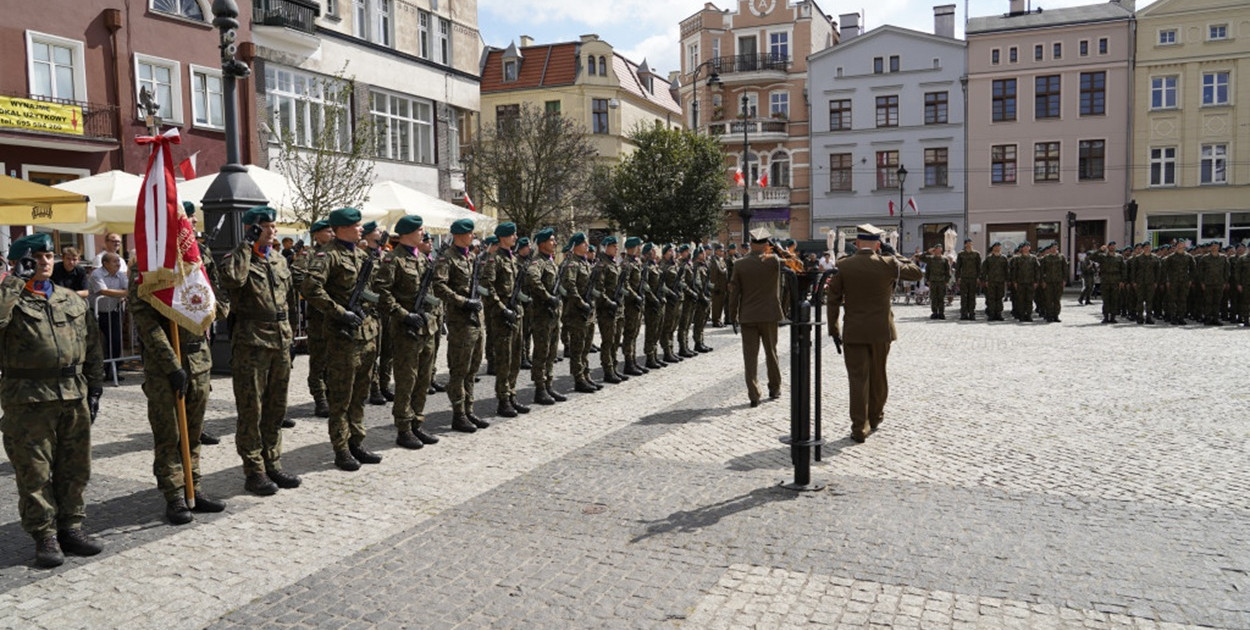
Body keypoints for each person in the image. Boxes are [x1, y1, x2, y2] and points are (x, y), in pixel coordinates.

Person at [1, 233, 105, 568]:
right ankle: (44, 533)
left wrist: (96, 388)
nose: (46, 262)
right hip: (28, 399)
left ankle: (71, 527)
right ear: (21, 261)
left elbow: (92, 345)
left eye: (49, 256)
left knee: (75, 467)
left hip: (73, 394)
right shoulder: (10, 299)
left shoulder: (70, 299)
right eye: (37, 257)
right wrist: (14, 282)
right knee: (35, 471)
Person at [129, 252, 227, 525]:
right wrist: (172, 365)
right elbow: (145, 322)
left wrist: (216, 307)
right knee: (169, 433)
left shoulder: (197, 256)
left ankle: (193, 488)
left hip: (199, 361)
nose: (192, 221)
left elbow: (216, 293)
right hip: (166, 366)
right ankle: (174, 496)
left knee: (193, 433)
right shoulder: (147, 262)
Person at [218, 206, 301, 495]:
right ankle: (254, 471)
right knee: (252, 409)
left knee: (276, 408)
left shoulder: (278, 259)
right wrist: (245, 246)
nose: (272, 230)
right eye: (265, 226)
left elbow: (289, 301)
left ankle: (273, 462)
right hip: (252, 343)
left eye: (274, 225)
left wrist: (291, 339)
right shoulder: (236, 259)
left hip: (280, 341)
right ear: (252, 228)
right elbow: (233, 281)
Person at [301, 207, 385, 471]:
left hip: (366, 334)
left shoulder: (361, 255)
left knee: (360, 394)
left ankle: (356, 442)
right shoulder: (328, 256)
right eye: (357, 225)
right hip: (342, 337)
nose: (361, 229)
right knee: (341, 397)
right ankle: (341, 448)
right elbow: (310, 289)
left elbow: (372, 290)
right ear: (342, 228)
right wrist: (340, 312)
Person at [825, 224, 924, 442]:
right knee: (879, 375)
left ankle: (859, 427)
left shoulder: (844, 265)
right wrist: (895, 254)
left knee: (858, 379)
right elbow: (917, 273)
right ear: (878, 245)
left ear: (857, 244)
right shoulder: (888, 263)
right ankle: (876, 416)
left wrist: (834, 329)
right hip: (881, 330)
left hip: (855, 330)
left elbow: (832, 301)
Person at [376, 215, 442, 450]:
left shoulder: (423, 258)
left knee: (424, 379)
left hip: (426, 327)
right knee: (407, 379)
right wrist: (404, 315)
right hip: (406, 329)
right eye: (420, 230)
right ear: (407, 233)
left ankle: (417, 422)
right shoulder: (393, 260)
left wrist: (430, 315)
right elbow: (383, 294)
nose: (423, 234)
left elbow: (431, 293)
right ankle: (403, 428)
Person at [435, 218, 490, 432]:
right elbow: (439, 286)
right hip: (460, 322)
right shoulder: (446, 258)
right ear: (458, 235)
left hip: (476, 320)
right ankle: (458, 414)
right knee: (459, 369)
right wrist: (463, 301)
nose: (473, 237)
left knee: (472, 369)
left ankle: (469, 410)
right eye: (469, 234)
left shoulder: (471, 258)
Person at [727, 227, 784, 408]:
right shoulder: (774, 261)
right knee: (771, 353)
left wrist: (732, 314)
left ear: (750, 244)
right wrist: (776, 248)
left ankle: (753, 394)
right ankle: (774, 388)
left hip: (748, 316)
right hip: (769, 315)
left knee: (750, 357)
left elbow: (734, 293)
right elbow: (795, 262)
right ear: (767, 244)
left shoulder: (740, 264)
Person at [481, 222, 529, 417]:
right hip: (502, 316)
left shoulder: (512, 260)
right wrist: (502, 309)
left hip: (516, 313)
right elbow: (487, 288)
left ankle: (511, 394)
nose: (515, 238)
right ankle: (503, 400)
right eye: (512, 235)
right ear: (503, 238)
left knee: (516, 357)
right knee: (504, 359)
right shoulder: (495, 260)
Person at [293, 219, 335, 416]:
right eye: (328, 231)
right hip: (318, 315)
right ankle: (320, 398)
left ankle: (332, 393)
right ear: (316, 235)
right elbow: (298, 278)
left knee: (333, 358)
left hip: (336, 315)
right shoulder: (308, 254)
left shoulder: (335, 253)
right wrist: (316, 296)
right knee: (318, 359)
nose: (332, 234)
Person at [524, 228, 565, 405]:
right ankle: (540, 389)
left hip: (553, 315)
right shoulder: (537, 263)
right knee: (541, 352)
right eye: (551, 240)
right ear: (542, 244)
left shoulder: (551, 262)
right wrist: (548, 298)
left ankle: (548, 384)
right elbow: (533, 280)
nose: (554, 243)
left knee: (551, 352)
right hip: (542, 315)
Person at [562, 232, 598, 393]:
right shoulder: (572, 264)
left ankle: (586, 374)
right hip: (577, 312)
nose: (587, 246)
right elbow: (570, 287)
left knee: (586, 346)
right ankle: (578, 378)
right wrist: (582, 304)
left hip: (588, 311)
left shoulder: (585, 264)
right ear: (576, 245)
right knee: (577, 347)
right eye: (584, 243)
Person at [88, 252, 129, 382]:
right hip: (96, 312)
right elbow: (103, 291)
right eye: (115, 261)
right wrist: (127, 293)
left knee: (116, 341)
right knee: (96, 343)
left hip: (113, 311)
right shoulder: (96, 274)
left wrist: (127, 292)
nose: (118, 264)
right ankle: (94, 371)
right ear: (105, 263)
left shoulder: (120, 275)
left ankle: (113, 371)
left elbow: (127, 286)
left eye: (118, 261)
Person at [619, 237, 648, 376]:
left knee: (635, 332)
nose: (640, 248)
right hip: (630, 304)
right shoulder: (626, 264)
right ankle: (628, 362)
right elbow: (625, 285)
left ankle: (633, 360)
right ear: (632, 247)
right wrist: (634, 296)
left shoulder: (637, 262)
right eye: (638, 246)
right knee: (629, 333)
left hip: (638, 302)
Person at [1092, 242, 1126, 323]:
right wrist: (1100, 250)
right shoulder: (1103, 256)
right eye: (1111, 246)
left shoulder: (1119, 257)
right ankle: (1106, 316)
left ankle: (1113, 317)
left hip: (1115, 280)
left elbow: (1123, 269)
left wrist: (1122, 281)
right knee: (1106, 299)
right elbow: (1092, 257)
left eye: (1114, 246)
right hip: (1105, 280)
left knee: (1114, 299)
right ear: (1108, 247)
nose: (1112, 247)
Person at [1008, 242, 1040, 322]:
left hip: (1030, 282)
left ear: (1029, 248)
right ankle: (1021, 315)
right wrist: (1014, 281)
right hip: (1020, 282)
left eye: (1027, 246)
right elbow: (1014, 271)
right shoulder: (1017, 259)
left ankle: (1028, 315)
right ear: (1022, 248)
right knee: (1020, 300)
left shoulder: (1033, 258)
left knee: (1029, 299)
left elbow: (1037, 270)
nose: (1026, 248)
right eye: (1024, 247)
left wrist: (1036, 281)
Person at [1038, 243, 1068, 323]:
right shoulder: (1046, 258)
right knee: (1048, 299)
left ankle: (1056, 315)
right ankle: (1049, 315)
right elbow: (1041, 271)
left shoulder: (1061, 257)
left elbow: (1065, 269)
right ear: (1050, 249)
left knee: (1057, 300)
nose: (1054, 249)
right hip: (1048, 282)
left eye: (1055, 247)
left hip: (1058, 281)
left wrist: (1064, 280)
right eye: (1052, 247)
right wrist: (1042, 281)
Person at [920, 244, 951, 320]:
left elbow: (948, 271)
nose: (938, 250)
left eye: (940, 248)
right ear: (935, 250)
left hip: (942, 281)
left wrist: (947, 281)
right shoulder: (930, 258)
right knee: (933, 298)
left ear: (941, 250)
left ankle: (941, 313)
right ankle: (934, 313)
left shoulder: (945, 259)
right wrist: (927, 251)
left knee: (941, 297)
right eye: (936, 248)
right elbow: (921, 258)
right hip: (933, 281)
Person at [980, 242, 1009, 321]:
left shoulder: (1004, 258)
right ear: (993, 248)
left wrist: (1007, 280)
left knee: (999, 298)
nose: (997, 248)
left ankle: (999, 314)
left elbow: (1006, 270)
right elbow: (984, 270)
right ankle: (991, 314)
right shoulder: (989, 258)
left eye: (999, 247)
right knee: (991, 298)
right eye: (996, 247)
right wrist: (985, 280)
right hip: (991, 281)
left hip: (1001, 281)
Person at [953, 240, 981, 320]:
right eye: (967, 243)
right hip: (964, 278)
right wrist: (957, 278)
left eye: (970, 243)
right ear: (965, 245)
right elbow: (958, 267)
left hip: (973, 278)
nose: (969, 245)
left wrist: (979, 277)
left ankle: (972, 313)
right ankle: (964, 313)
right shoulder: (961, 254)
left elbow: (979, 267)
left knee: (972, 296)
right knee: (964, 297)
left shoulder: (976, 254)